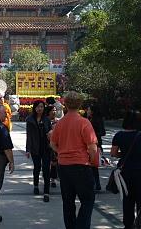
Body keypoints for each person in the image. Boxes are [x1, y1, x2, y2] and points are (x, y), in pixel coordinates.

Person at [50, 91, 98, 229]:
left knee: (68, 201)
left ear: (65, 104)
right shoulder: (84, 122)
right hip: (81, 165)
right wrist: (91, 160)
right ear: (80, 104)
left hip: (64, 166)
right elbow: (92, 147)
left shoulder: (60, 123)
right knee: (88, 200)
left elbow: (53, 143)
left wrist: (61, 152)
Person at [110, 109, 141, 229]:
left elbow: (113, 153)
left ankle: (128, 225)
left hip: (125, 172)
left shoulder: (119, 135)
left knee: (127, 200)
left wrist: (123, 155)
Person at [26, 100, 52, 202]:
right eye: (38, 107)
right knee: (37, 167)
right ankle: (36, 185)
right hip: (35, 148)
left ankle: (46, 192)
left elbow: (50, 133)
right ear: (34, 108)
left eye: (41, 107)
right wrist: (28, 149)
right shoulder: (30, 120)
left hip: (46, 148)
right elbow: (29, 136)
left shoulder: (46, 119)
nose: (39, 108)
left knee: (46, 170)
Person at [87, 104, 105, 191]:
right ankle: (96, 184)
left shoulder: (97, 120)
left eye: (89, 110)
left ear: (92, 111)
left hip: (95, 144)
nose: (87, 111)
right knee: (92, 167)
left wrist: (92, 135)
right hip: (90, 144)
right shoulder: (89, 119)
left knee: (93, 166)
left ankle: (96, 184)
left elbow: (102, 132)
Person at [44, 105, 58, 188]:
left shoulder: (58, 121)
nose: (54, 112)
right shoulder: (44, 121)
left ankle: (53, 179)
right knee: (46, 163)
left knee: (54, 163)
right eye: (53, 110)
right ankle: (46, 178)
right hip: (45, 145)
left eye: (55, 110)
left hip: (55, 145)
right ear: (48, 111)